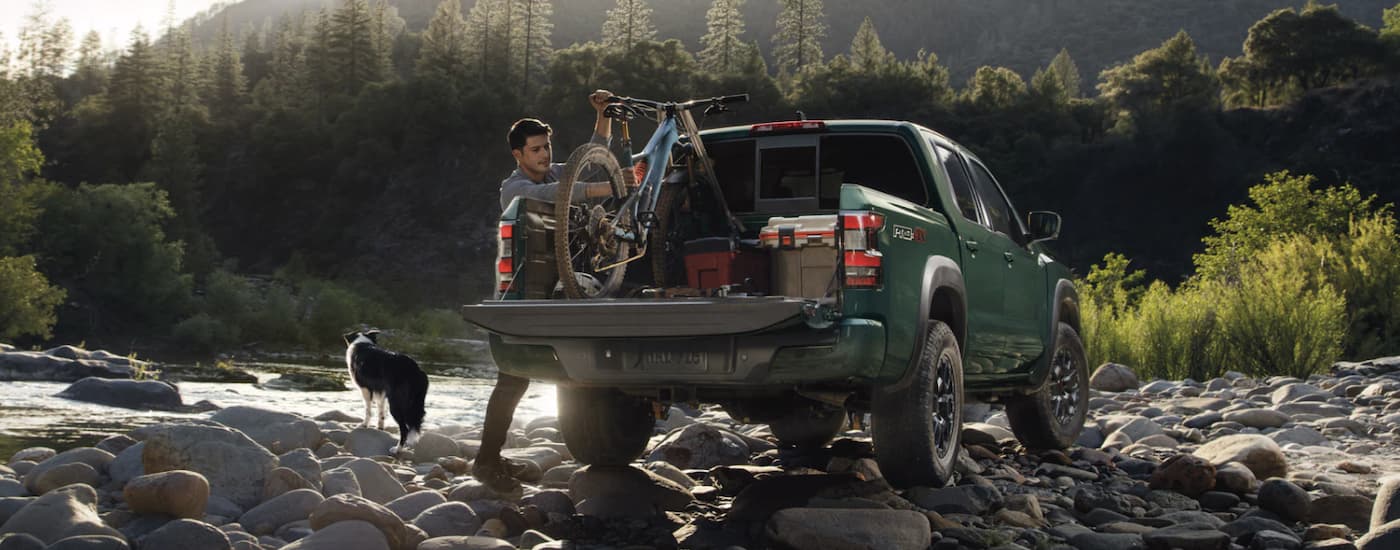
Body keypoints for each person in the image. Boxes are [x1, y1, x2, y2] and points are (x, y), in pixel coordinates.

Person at [474, 89, 626, 492]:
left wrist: (603, 115)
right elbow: (562, 194)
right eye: (536, 149)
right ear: (518, 155)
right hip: (519, 296)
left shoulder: (558, 172)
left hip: (558, 292)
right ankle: (485, 462)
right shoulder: (513, 188)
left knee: (548, 374)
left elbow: (590, 159)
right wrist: (609, 188)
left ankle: (494, 458)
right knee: (512, 380)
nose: (544, 154)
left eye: (547, 147)